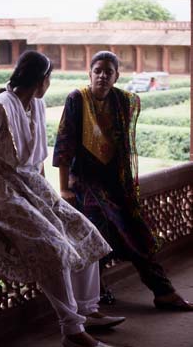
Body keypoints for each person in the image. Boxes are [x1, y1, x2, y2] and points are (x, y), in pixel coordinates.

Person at [0, 50, 126, 347]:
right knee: (54, 247)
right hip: (3, 193)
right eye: (49, 78)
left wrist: (48, 196)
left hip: (32, 186)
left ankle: (85, 311)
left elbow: (33, 157)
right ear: (41, 80)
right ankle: (72, 331)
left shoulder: (33, 104)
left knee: (85, 231)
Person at [53, 50, 193, 312]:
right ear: (89, 73)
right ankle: (98, 291)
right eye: (98, 71)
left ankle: (163, 291)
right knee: (98, 234)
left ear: (117, 76)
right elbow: (64, 146)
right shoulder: (77, 99)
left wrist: (126, 186)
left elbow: (122, 148)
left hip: (115, 182)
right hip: (85, 183)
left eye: (109, 72)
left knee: (134, 232)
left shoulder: (122, 101)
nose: (103, 76)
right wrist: (63, 188)